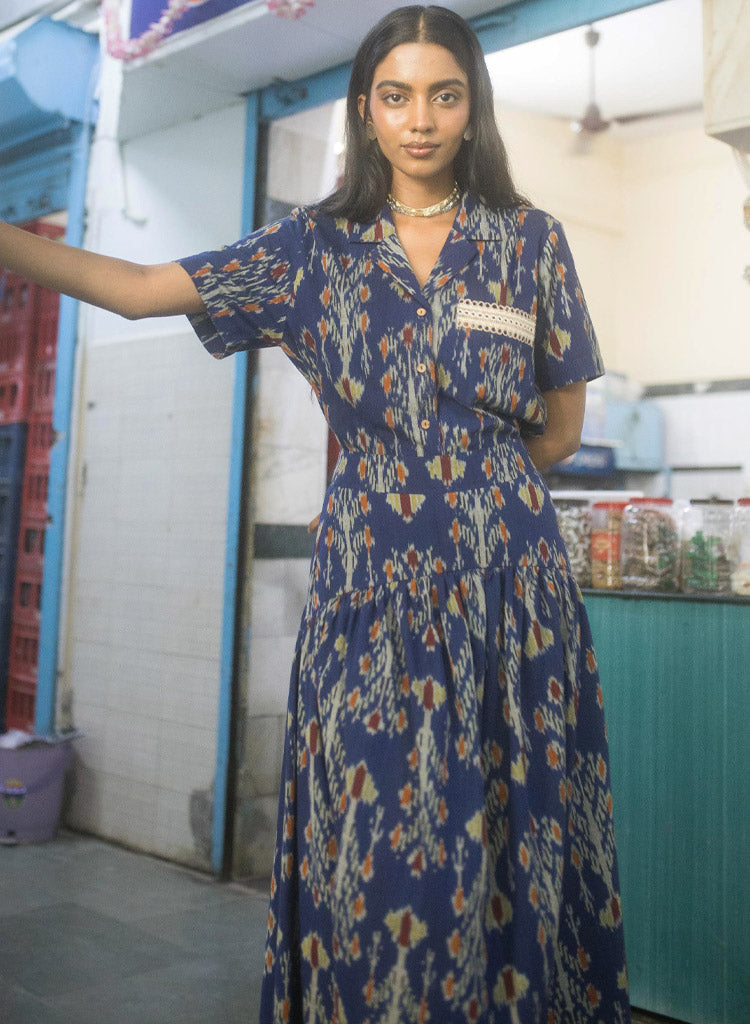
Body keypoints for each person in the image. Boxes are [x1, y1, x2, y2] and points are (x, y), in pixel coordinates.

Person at [0, 6, 631, 1022]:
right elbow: (137, 287)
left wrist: (471, 492)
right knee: (376, 849)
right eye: (396, 96)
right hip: (371, 595)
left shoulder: (529, 243)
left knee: (518, 843)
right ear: (365, 108)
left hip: (511, 596)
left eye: (444, 96)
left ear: (473, 108)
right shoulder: (312, 250)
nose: (419, 120)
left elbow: (558, 432)